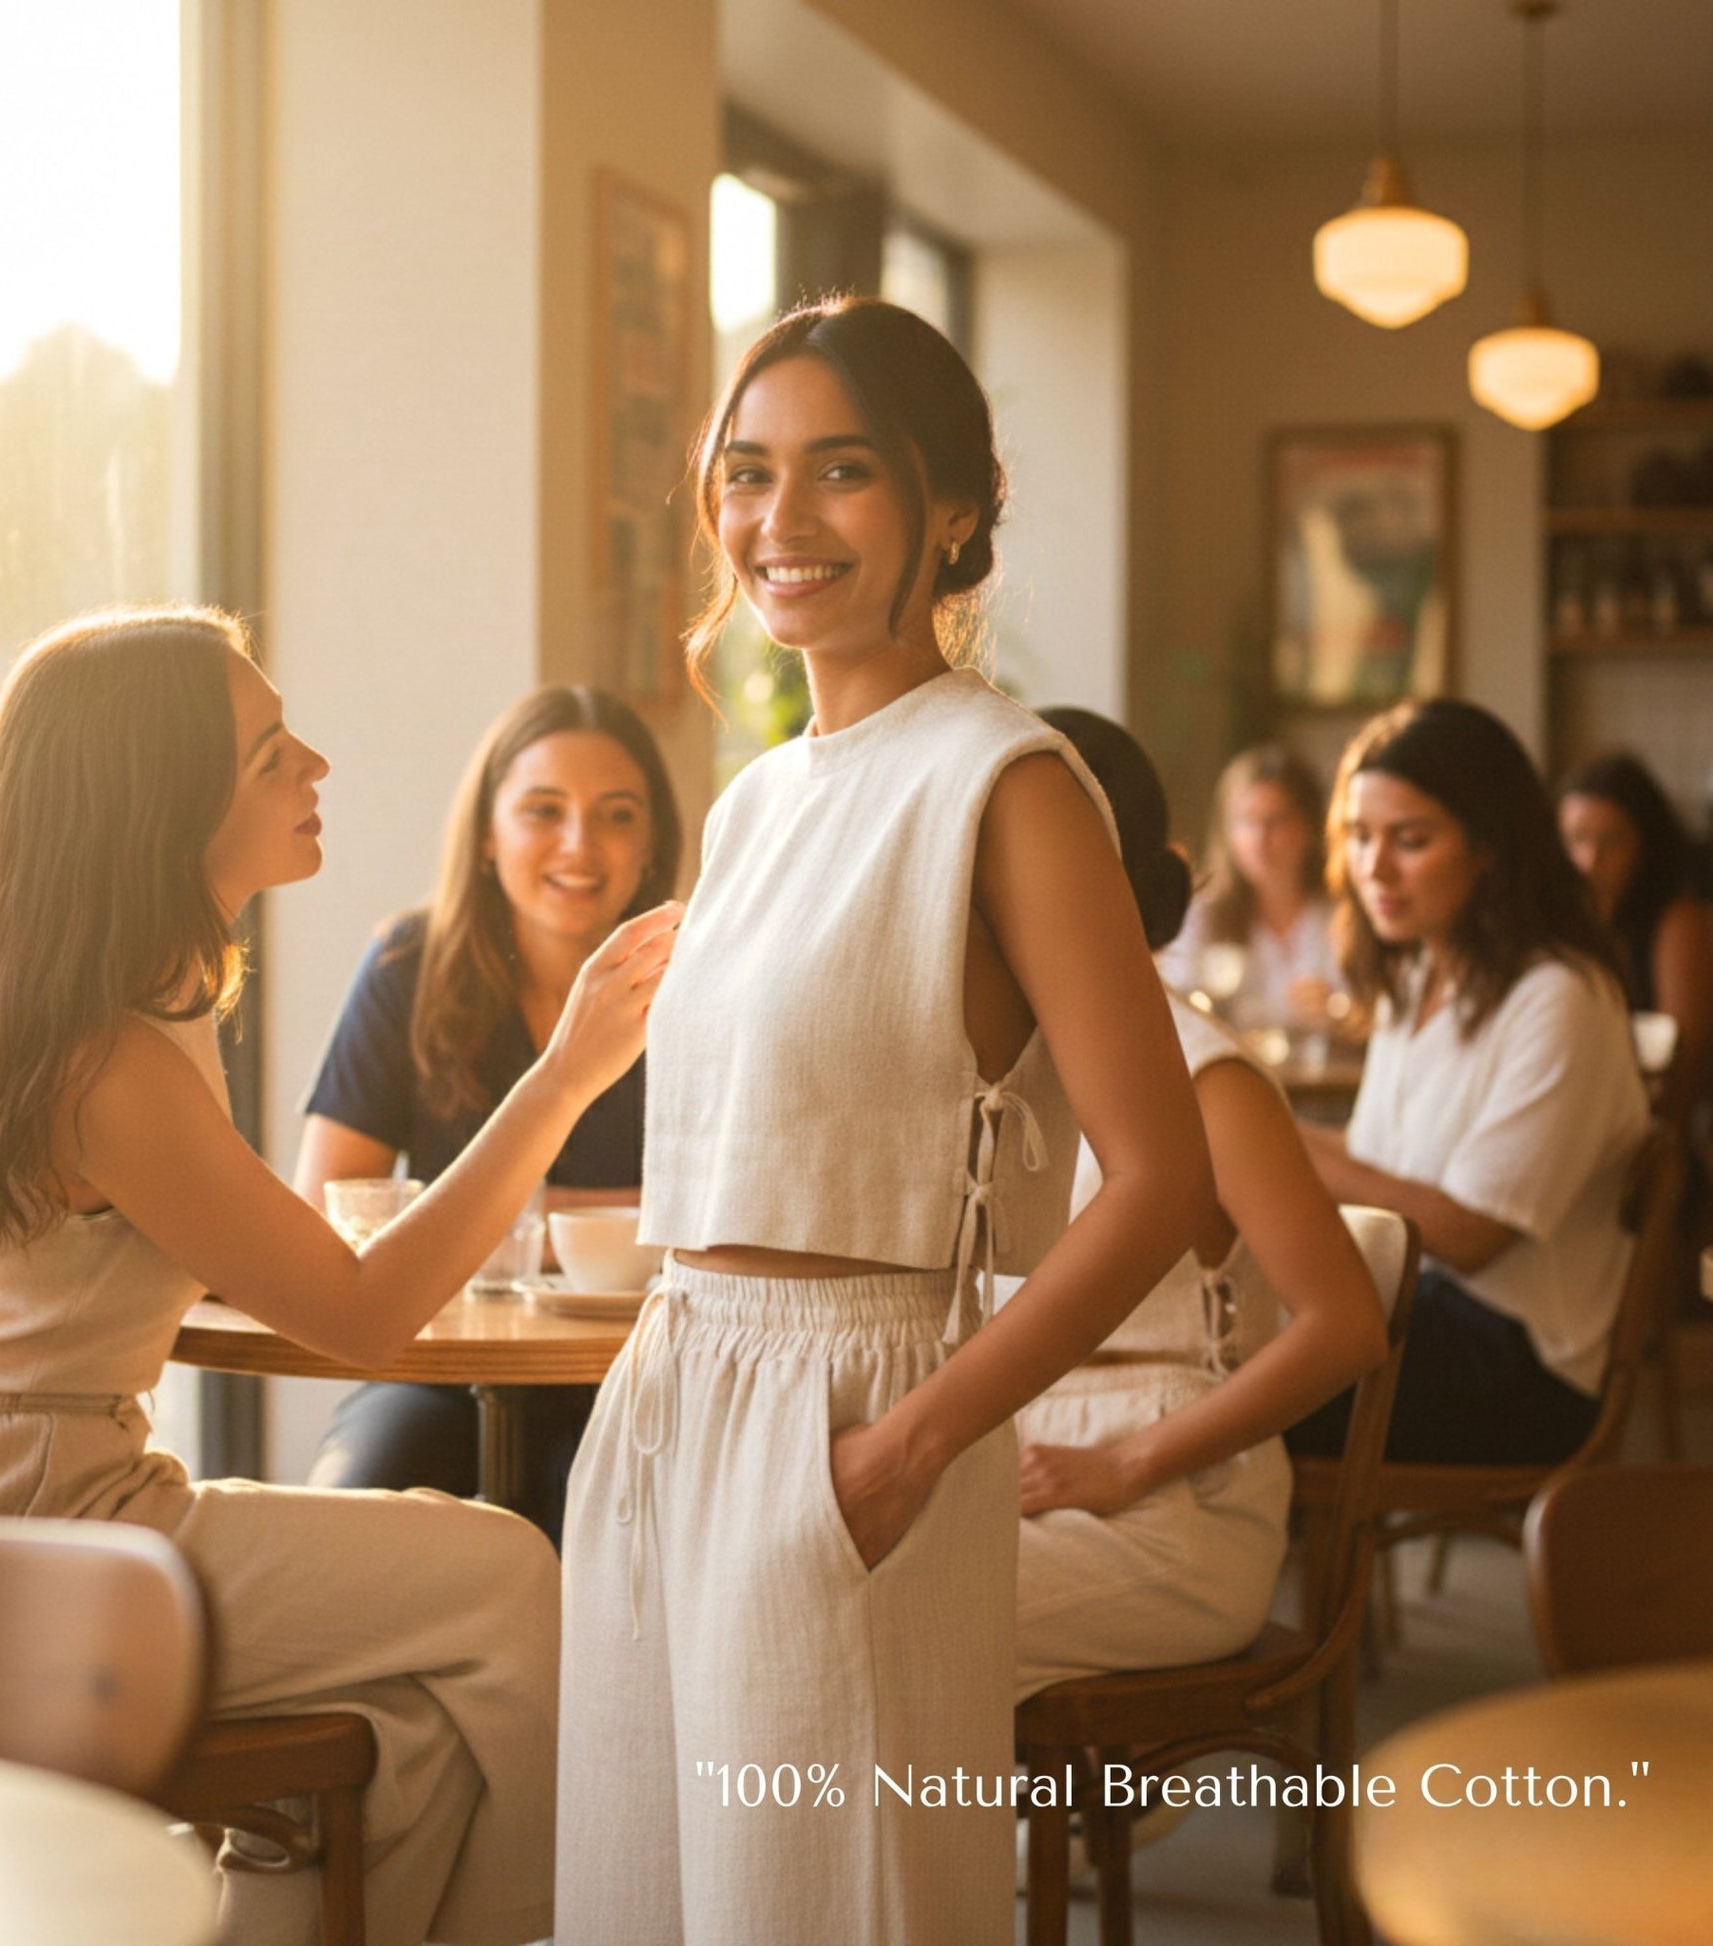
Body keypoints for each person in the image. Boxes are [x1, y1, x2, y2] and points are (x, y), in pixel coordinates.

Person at [0, 607, 678, 1946]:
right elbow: (362, 1314)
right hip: (47, 1545)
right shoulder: (112, 1061)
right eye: (272, 748)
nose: (318, 766)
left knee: (410, 1725)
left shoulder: (64, 1012)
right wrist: (567, 1070)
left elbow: (240, 1257)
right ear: (164, 804)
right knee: (511, 1577)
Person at [556, 297, 1212, 1946]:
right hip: (671, 1391)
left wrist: (907, 1447)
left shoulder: (1010, 783)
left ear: (952, 509)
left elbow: (1159, 1183)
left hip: (862, 1403)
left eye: (839, 472)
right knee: (654, 1894)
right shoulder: (757, 797)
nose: (780, 522)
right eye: (748, 473)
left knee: (829, 1908)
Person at [1012, 709, 1383, 1697]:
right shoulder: (1002, 1069)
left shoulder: (1204, 1078)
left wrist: (1126, 1464)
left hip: (1177, 1504)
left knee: (886, 1606)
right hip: (1017, 1467)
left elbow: (1345, 1323)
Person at [297, 686, 682, 1538]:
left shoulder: (700, 982)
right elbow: (332, 1209)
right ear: (486, 832)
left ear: (650, 841)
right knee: (344, 1531)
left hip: (641, 1379)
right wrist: (594, 1225)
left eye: (616, 816)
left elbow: (721, 1215)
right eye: (543, 810)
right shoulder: (408, 966)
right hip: (429, 1373)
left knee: (615, 1556)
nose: (579, 845)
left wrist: (475, 1221)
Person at [1289, 698, 1649, 1468]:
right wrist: (1251, 1129)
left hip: (1519, 1364)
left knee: (1241, 1384)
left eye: (1410, 841)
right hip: (1427, 1312)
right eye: (1358, 837)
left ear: (1489, 848)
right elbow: (1371, 1161)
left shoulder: (1559, 996)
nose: (1373, 869)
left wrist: (1275, 1145)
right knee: (1220, 1335)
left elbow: (1468, 1236)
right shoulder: (1419, 972)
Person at [1557, 751, 1713, 1137]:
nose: (1590, 860)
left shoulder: (1677, 920)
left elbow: (1685, 1062)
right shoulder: (1559, 917)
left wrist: (1664, 1157)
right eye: (1577, 840)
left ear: (1646, 844)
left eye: (1611, 841)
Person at [1157, 744, 1346, 1034]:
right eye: (1246, 821)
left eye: (1275, 821)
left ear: (1309, 826)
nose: (1259, 839)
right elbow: (1176, 1010)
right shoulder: (1201, 915)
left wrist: (1341, 1012)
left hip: (1325, 1076)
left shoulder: (1341, 915)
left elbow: (1368, 1009)